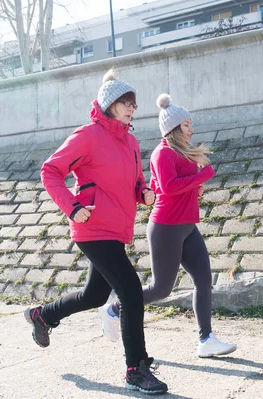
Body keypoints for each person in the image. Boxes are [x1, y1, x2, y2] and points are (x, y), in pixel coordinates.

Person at [24, 69, 168, 395]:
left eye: (133, 104)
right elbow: (50, 171)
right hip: (91, 227)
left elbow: (134, 182)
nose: (131, 109)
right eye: (124, 103)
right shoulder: (87, 136)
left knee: (95, 295)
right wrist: (73, 207)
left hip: (116, 228)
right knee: (130, 291)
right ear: (108, 105)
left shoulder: (130, 141)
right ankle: (136, 368)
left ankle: (42, 315)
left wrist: (142, 193)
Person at [99, 93, 237, 358]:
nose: (191, 128)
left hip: (187, 226)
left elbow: (179, 187)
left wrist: (196, 188)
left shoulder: (184, 153)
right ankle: (114, 309)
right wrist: (200, 178)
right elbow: (170, 189)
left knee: (204, 279)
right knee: (161, 289)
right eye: (186, 124)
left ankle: (206, 339)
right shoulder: (162, 153)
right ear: (174, 128)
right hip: (166, 227)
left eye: (190, 124)